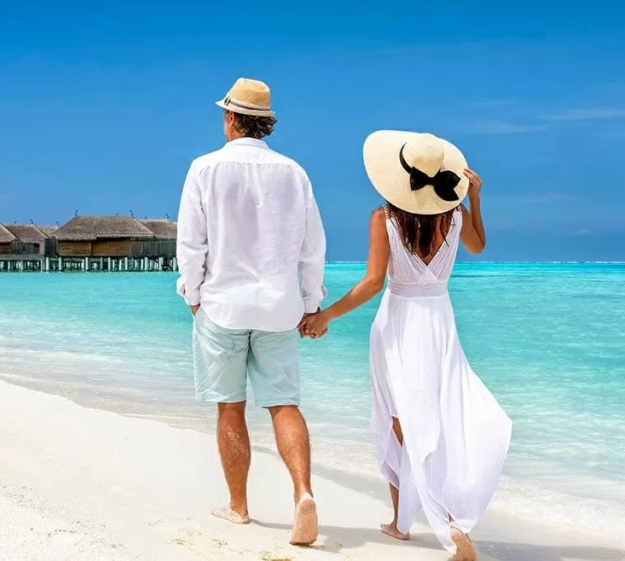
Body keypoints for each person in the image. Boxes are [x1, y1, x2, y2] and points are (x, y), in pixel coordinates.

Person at [300, 130, 511, 561]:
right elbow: (478, 246)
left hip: (397, 324)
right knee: (438, 416)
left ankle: (435, 522)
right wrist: (474, 198)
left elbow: (373, 283)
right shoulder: (455, 213)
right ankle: (421, 520)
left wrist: (326, 316)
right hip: (439, 322)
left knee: (399, 420)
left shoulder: (385, 217)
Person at [176, 78, 326, 546]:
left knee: (230, 406)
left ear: (230, 118)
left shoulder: (204, 168)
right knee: (284, 403)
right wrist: (311, 303)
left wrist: (193, 295)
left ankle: (238, 506)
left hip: (223, 304)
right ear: (265, 123)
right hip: (279, 307)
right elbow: (312, 248)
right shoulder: (294, 172)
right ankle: (303, 493)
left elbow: (191, 242)